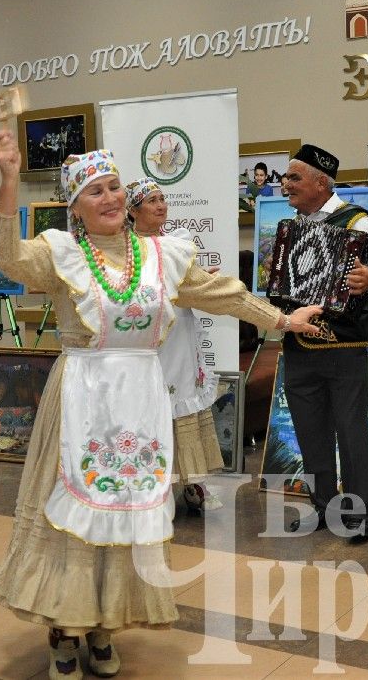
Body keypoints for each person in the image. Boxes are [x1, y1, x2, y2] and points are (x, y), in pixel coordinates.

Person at [0, 131, 321, 679]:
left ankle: (102, 626)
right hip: (80, 395)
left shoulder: (162, 256)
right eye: (95, 191)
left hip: (140, 399)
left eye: (116, 186)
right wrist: (7, 180)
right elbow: (6, 257)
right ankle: (64, 631)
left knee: (124, 514)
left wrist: (282, 320)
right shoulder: (62, 255)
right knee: (71, 516)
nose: (112, 197)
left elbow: (223, 294)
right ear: (75, 208)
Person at [280, 144, 368, 544]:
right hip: (298, 341)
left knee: (350, 428)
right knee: (309, 430)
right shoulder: (292, 225)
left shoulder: (357, 221)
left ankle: (359, 513)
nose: (285, 184)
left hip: (342, 345)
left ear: (321, 183)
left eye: (294, 177)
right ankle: (323, 506)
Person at [126, 177, 222, 513]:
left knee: (183, 402)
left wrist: (204, 281)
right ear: (134, 210)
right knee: (150, 408)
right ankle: (154, 490)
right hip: (145, 337)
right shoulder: (123, 249)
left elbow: (190, 281)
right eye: (152, 200)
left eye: (162, 199)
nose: (161, 205)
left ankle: (196, 483)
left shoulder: (178, 241)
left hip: (179, 335)